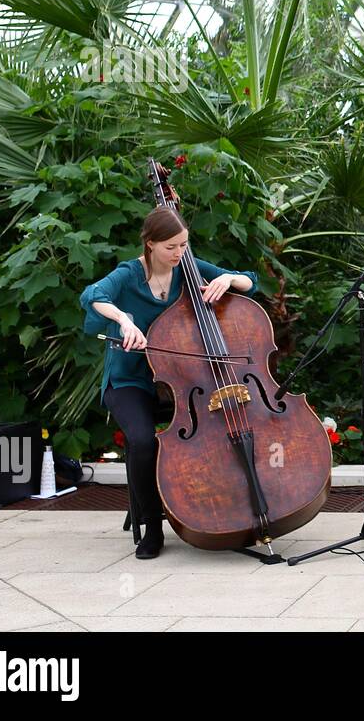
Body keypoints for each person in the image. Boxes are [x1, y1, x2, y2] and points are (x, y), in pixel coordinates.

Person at [79, 205, 257, 559]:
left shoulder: (187, 267)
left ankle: (229, 506)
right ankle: (153, 526)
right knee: (143, 441)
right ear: (149, 243)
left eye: (184, 246)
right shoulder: (129, 274)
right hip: (131, 379)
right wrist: (125, 321)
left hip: (184, 381)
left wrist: (229, 279)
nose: (179, 254)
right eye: (170, 247)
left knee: (221, 424)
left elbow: (249, 281)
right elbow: (93, 296)